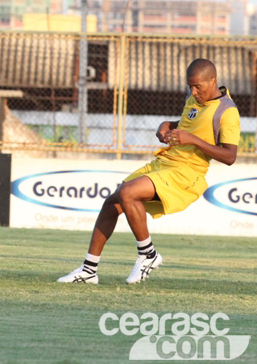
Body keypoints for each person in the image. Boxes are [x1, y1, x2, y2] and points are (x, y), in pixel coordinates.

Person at [58, 58, 239, 284]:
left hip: (186, 173)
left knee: (128, 193)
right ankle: (88, 270)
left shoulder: (227, 111)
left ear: (212, 81)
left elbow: (230, 156)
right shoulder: (192, 98)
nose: (193, 92)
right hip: (165, 163)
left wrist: (191, 139)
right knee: (112, 202)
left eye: (197, 87)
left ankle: (148, 255)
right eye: (189, 86)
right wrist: (167, 126)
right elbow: (185, 124)